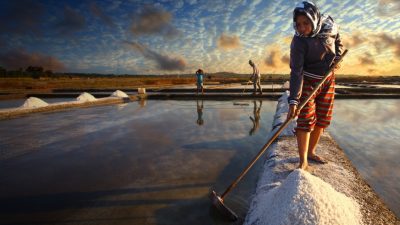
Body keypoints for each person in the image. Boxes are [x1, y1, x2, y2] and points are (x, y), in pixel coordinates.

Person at [286, 1, 344, 170]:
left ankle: (311, 152)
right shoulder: (298, 42)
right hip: (308, 82)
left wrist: (337, 58)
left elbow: (338, 38)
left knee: (322, 118)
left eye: (305, 23)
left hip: (327, 79)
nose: (301, 28)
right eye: (298, 25)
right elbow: (296, 72)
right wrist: (293, 101)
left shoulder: (328, 26)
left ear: (314, 19)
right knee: (305, 119)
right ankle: (303, 161)